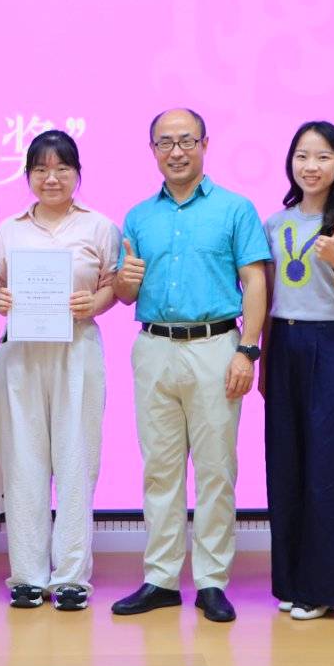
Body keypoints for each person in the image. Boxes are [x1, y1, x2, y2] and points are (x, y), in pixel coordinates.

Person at [110, 108, 271, 624]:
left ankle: (211, 581)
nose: (176, 151)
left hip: (216, 346)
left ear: (204, 144)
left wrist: (248, 349)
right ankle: (160, 578)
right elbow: (125, 292)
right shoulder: (138, 217)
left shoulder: (235, 208)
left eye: (185, 141)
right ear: (152, 150)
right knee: (159, 468)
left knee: (216, 469)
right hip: (153, 345)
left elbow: (256, 280)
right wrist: (125, 281)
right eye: (165, 143)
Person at [0, 130, 120, 611]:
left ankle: (70, 578)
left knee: (76, 461)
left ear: (77, 174)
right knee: (23, 463)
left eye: (62, 168)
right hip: (22, 354)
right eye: (41, 169)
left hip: (77, 349)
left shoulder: (100, 226)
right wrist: (0, 298)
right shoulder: (9, 229)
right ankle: (27, 575)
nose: (51, 178)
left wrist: (95, 303)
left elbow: (112, 285)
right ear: (28, 175)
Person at [259, 121, 334, 621]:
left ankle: (322, 587)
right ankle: (290, 581)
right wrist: (263, 358)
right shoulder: (274, 223)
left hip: (333, 345)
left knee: (329, 467)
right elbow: (268, 297)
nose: (311, 166)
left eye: (323, 156)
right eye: (302, 156)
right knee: (285, 465)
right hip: (284, 342)